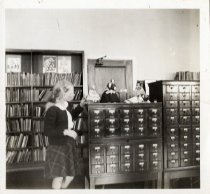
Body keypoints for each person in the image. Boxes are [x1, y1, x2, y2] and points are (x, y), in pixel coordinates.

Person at [44, 80, 85, 189]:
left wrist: (81, 106)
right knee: (58, 177)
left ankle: (62, 189)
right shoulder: (52, 110)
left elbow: (68, 118)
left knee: (70, 176)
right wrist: (66, 132)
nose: (73, 94)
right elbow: (47, 131)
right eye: (71, 91)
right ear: (63, 93)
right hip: (58, 146)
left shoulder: (66, 107)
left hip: (68, 145)